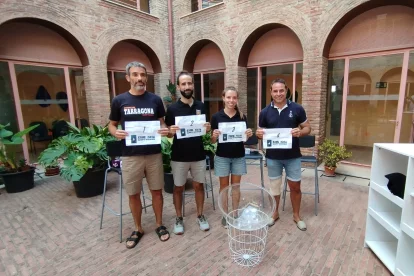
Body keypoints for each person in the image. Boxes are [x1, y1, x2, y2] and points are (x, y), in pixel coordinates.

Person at [108, 61, 170, 249]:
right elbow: (111, 124)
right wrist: (114, 132)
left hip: (153, 154)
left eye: (142, 75)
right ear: (128, 78)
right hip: (130, 155)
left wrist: (165, 130)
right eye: (135, 75)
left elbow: (161, 123)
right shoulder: (119, 100)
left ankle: (159, 224)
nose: (140, 78)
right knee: (133, 193)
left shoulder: (155, 100)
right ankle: (138, 228)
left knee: (157, 191)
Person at [256, 78, 311, 231]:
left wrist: (300, 132)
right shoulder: (264, 112)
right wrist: (259, 134)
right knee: (274, 188)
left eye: (281, 90)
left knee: (295, 187)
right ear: (271, 92)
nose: (278, 94)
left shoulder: (297, 108)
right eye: (275, 91)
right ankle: (274, 214)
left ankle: (296, 216)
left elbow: (308, 128)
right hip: (273, 157)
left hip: (293, 156)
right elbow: (261, 132)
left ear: (286, 90)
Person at [165, 71, 212, 235]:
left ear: (193, 85)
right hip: (179, 156)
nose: (187, 87)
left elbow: (205, 130)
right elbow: (169, 134)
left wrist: (207, 128)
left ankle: (200, 214)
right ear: (178, 87)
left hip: (198, 154)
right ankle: (179, 217)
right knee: (178, 188)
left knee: (199, 186)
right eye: (183, 84)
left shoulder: (201, 106)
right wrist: (170, 131)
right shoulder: (172, 109)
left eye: (189, 83)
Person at [210, 86, 253, 228]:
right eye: (228, 97)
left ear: (237, 99)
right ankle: (225, 214)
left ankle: (234, 213)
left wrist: (248, 135)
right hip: (222, 157)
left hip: (238, 156)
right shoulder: (216, 117)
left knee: (236, 186)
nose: (231, 100)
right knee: (224, 187)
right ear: (223, 98)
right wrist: (214, 136)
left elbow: (244, 139)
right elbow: (212, 141)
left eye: (234, 98)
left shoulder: (242, 116)